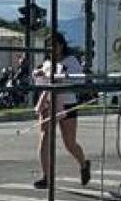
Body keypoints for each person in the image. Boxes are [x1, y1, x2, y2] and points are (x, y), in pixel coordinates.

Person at [33, 33, 91, 189]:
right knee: (45, 138)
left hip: (66, 103)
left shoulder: (70, 61)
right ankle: (46, 176)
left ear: (62, 45)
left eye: (55, 44)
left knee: (69, 143)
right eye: (49, 46)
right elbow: (41, 83)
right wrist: (39, 75)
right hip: (49, 103)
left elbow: (79, 79)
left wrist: (63, 77)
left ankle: (84, 164)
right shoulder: (46, 63)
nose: (53, 49)